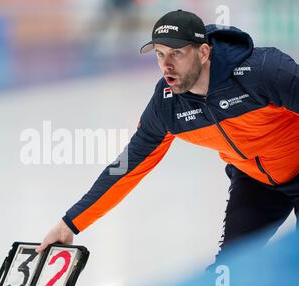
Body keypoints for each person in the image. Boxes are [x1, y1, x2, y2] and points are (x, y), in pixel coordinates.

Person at [35, 10, 299, 269]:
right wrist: (71, 223)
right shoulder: (167, 105)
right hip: (256, 181)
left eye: (177, 53)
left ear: (204, 52)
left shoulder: (262, 71)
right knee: (226, 274)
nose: (166, 65)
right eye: (160, 54)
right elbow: (126, 166)